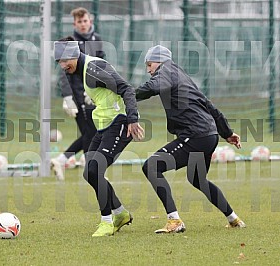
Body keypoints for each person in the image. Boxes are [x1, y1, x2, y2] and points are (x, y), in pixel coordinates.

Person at [135, 45, 246, 234]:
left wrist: (128, 93)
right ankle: (234, 219)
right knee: (197, 179)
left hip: (195, 135)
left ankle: (174, 220)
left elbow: (153, 86)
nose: (148, 70)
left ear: (160, 61)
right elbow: (209, 105)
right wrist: (226, 132)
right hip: (209, 135)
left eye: (150, 64)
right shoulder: (182, 75)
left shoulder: (166, 70)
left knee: (152, 166)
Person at [54, 40, 144, 237]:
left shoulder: (93, 68)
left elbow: (126, 89)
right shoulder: (83, 70)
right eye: (59, 62)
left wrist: (132, 119)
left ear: (74, 55)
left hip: (119, 123)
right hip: (103, 126)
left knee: (95, 169)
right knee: (89, 173)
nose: (62, 66)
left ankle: (106, 222)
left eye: (64, 61)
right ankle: (121, 214)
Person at [51, 7, 105, 181]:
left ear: (91, 21)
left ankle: (63, 160)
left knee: (90, 132)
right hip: (78, 97)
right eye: (79, 22)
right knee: (91, 132)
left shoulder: (97, 40)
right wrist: (68, 98)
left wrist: (100, 88)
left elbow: (102, 66)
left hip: (93, 94)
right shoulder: (70, 43)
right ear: (75, 24)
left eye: (85, 21)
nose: (82, 24)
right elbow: (63, 72)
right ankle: (89, 167)